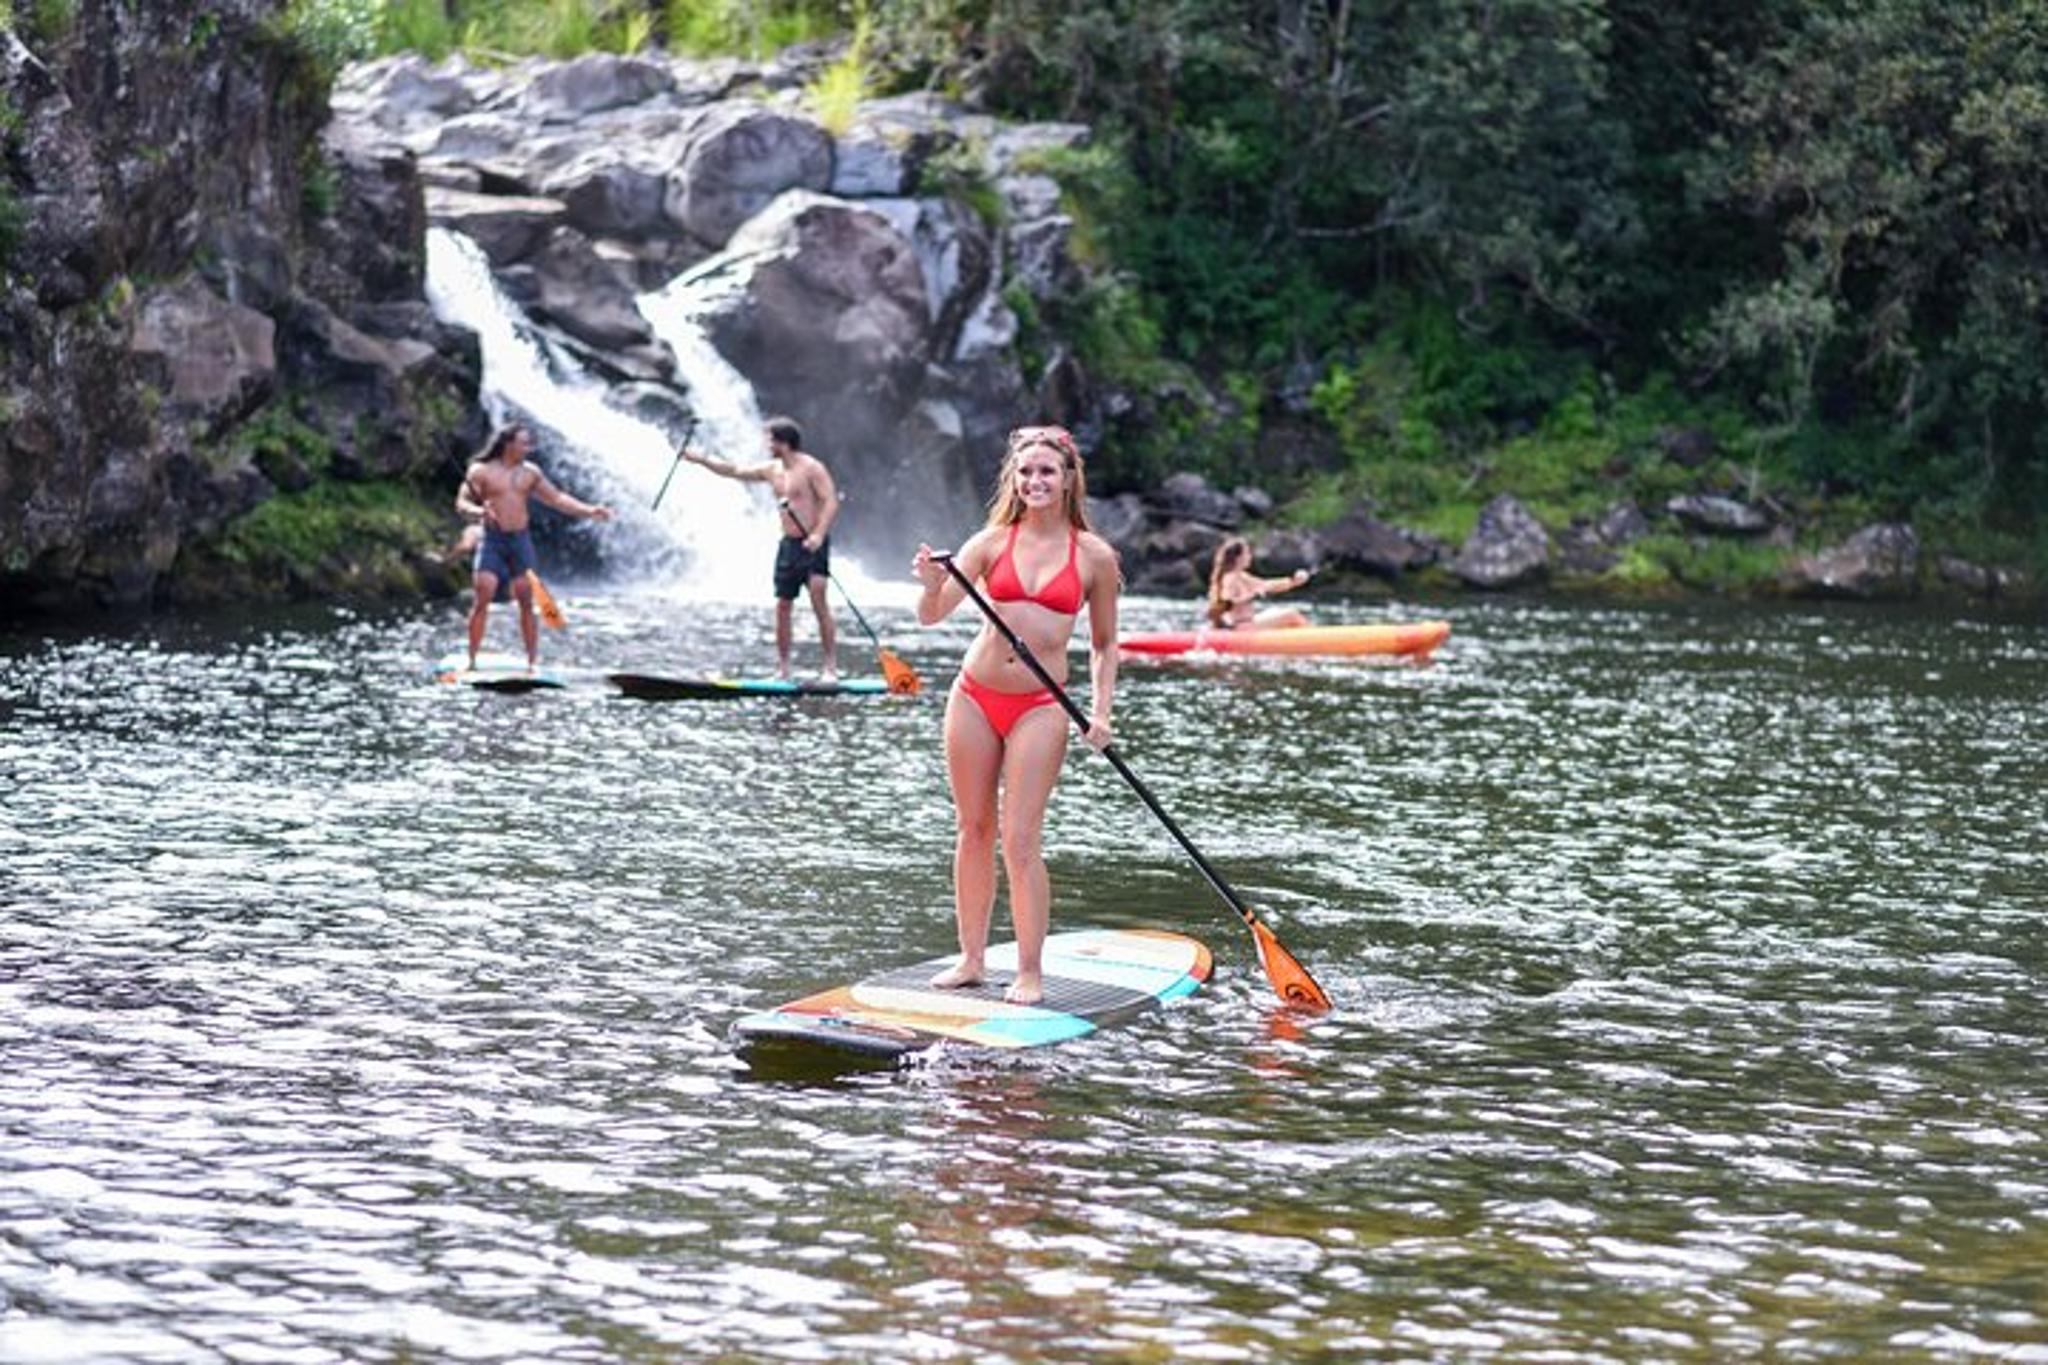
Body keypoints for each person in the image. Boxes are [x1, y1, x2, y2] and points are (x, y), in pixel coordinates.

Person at [911, 424, 1121, 1006]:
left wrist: (1099, 715)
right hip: (974, 694)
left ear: (1068, 479)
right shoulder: (989, 542)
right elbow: (932, 615)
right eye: (1025, 471)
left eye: (1046, 471)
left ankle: (1030, 971)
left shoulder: (1095, 557)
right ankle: (972, 960)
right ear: (1014, 478)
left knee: (1019, 838)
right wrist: (930, 586)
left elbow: (1105, 644)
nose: (1035, 481)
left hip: (1041, 706)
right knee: (972, 829)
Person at [681, 416, 840, 681]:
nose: (766, 444)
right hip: (789, 544)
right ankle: (784, 670)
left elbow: (830, 501)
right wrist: (700, 460)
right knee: (783, 606)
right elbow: (734, 470)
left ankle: (830, 668)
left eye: (769, 439)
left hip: (812, 543)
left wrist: (818, 535)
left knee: (818, 598)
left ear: (783, 442)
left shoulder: (812, 468)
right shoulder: (771, 470)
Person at [454, 423, 613, 671]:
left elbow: (557, 498)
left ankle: (531, 663)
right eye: (524, 442)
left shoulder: (530, 473)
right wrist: (477, 511)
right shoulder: (481, 471)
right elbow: (461, 502)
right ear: (508, 444)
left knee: (526, 599)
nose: (529, 447)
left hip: (519, 540)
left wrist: (589, 510)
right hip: (492, 539)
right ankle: (471, 660)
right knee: (484, 592)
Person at [1207, 535, 1311, 630]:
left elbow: (1267, 585)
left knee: (1275, 611)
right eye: (1247, 553)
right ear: (1238, 558)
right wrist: (1252, 594)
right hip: (1241, 626)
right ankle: (1314, 637)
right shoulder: (1230, 577)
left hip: (1248, 622)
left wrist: (1293, 582)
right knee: (1291, 614)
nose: (1249, 557)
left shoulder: (1242, 576)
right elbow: (1227, 598)